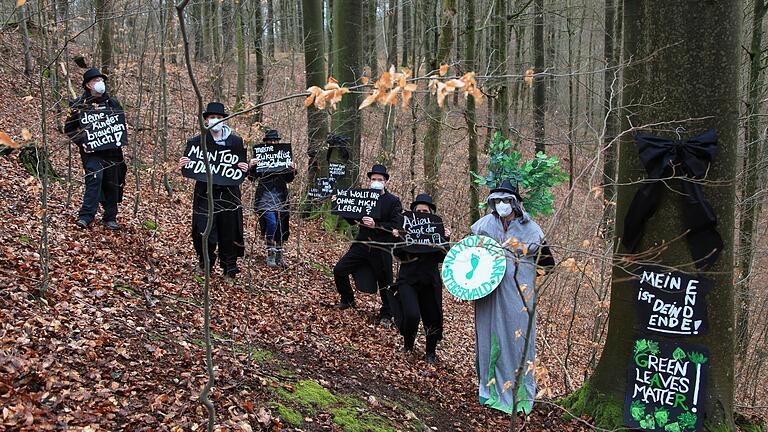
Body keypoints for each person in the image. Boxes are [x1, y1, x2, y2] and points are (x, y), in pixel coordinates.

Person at [470, 179, 555, 415]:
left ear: (516, 203)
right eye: (497, 200)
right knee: (488, 340)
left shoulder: (531, 230)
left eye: (507, 200)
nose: (502, 205)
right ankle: (489, 392)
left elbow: (548, 265)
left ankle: (518, 396)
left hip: (517, 298)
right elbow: (467, 258)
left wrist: (525, 276)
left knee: (517, 343)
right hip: (488, 295)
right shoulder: (483, 225)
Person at [178, 102, 248, 279]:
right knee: (201, 230)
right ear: (206, 120)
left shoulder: (236, 141)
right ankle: (205, 261)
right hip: (204, 193)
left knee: (230, 231)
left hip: (229, 194)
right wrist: (184, 165)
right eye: (211, 118)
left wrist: (245, 168)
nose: (215, 121)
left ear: (224, 119)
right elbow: (190, 163)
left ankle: (229, 269)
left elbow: (240, 170)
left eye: (218, 118)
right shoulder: (197, 141)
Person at [332, 164, 402, 325]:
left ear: (385, 182)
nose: (376, 182)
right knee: (340, 270)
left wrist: (376, 225)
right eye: (373, 179)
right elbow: (351, 218)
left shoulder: (393, 201)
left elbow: (396, 226)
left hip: (381, 246)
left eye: (379, 179)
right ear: (369, 180)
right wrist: (339, 203)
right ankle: (347, 299)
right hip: (362, 243)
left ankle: (386, 313)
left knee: (385, 282)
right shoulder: (362, 196)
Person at [391, 194, 451, 364]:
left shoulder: (437, 230)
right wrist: (397, 238)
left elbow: (444, 257)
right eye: (419, 211)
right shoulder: (405, 228)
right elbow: (397, 254)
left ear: (431, 212)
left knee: (432, 317)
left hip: (430, 280)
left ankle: (430, 352)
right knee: (411, 314)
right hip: (408, 279)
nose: (422, 213)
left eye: (425, 211)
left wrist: (446, 240)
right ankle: (407, 345)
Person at [65, 68, 127, 230]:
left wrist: (122, 131)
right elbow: (69, 129)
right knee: (94, 180)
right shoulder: (79, 105)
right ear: (88, 85)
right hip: (91, 152)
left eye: (102, 80)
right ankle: (86, 216)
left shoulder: (112, 103)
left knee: (112, 182)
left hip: (112, 151)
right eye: (96, 81)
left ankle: (110, 217)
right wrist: (83, 142)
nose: (100, 84)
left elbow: (120, 123)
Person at [248, 129, 296, 268]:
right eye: (270, 141)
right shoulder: (261, 156)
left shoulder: (283, 156)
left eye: (275, 140)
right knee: (271, 223)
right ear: (266, 142)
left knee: (281, 227)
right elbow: (252, 178)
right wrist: (251, 166)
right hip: (265, 197)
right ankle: (270, 253)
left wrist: (292, 169)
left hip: (281, 197)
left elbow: (289, 179)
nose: (273, 143)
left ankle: (280, 255)